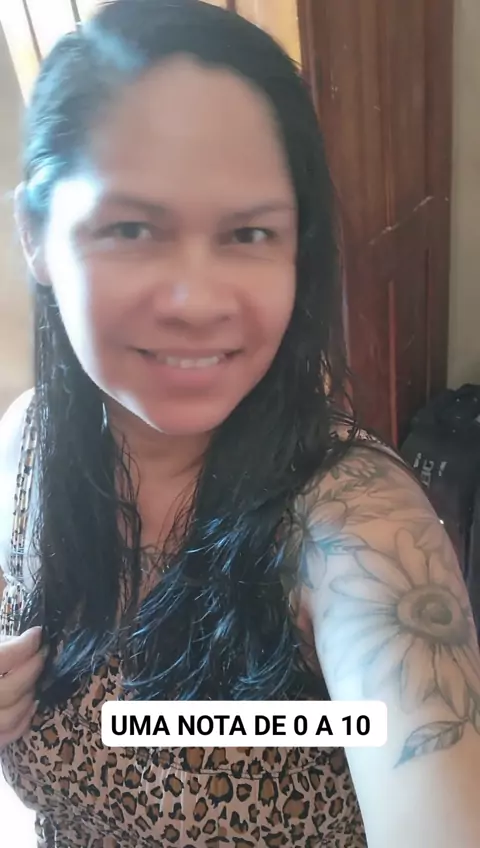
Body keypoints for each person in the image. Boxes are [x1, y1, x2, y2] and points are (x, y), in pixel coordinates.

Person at [0, 1, 479, 846]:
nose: (197, 302)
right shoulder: (27, 440)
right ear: (35, 235)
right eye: (131, 227)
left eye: (249, 232)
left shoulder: (353, 520)